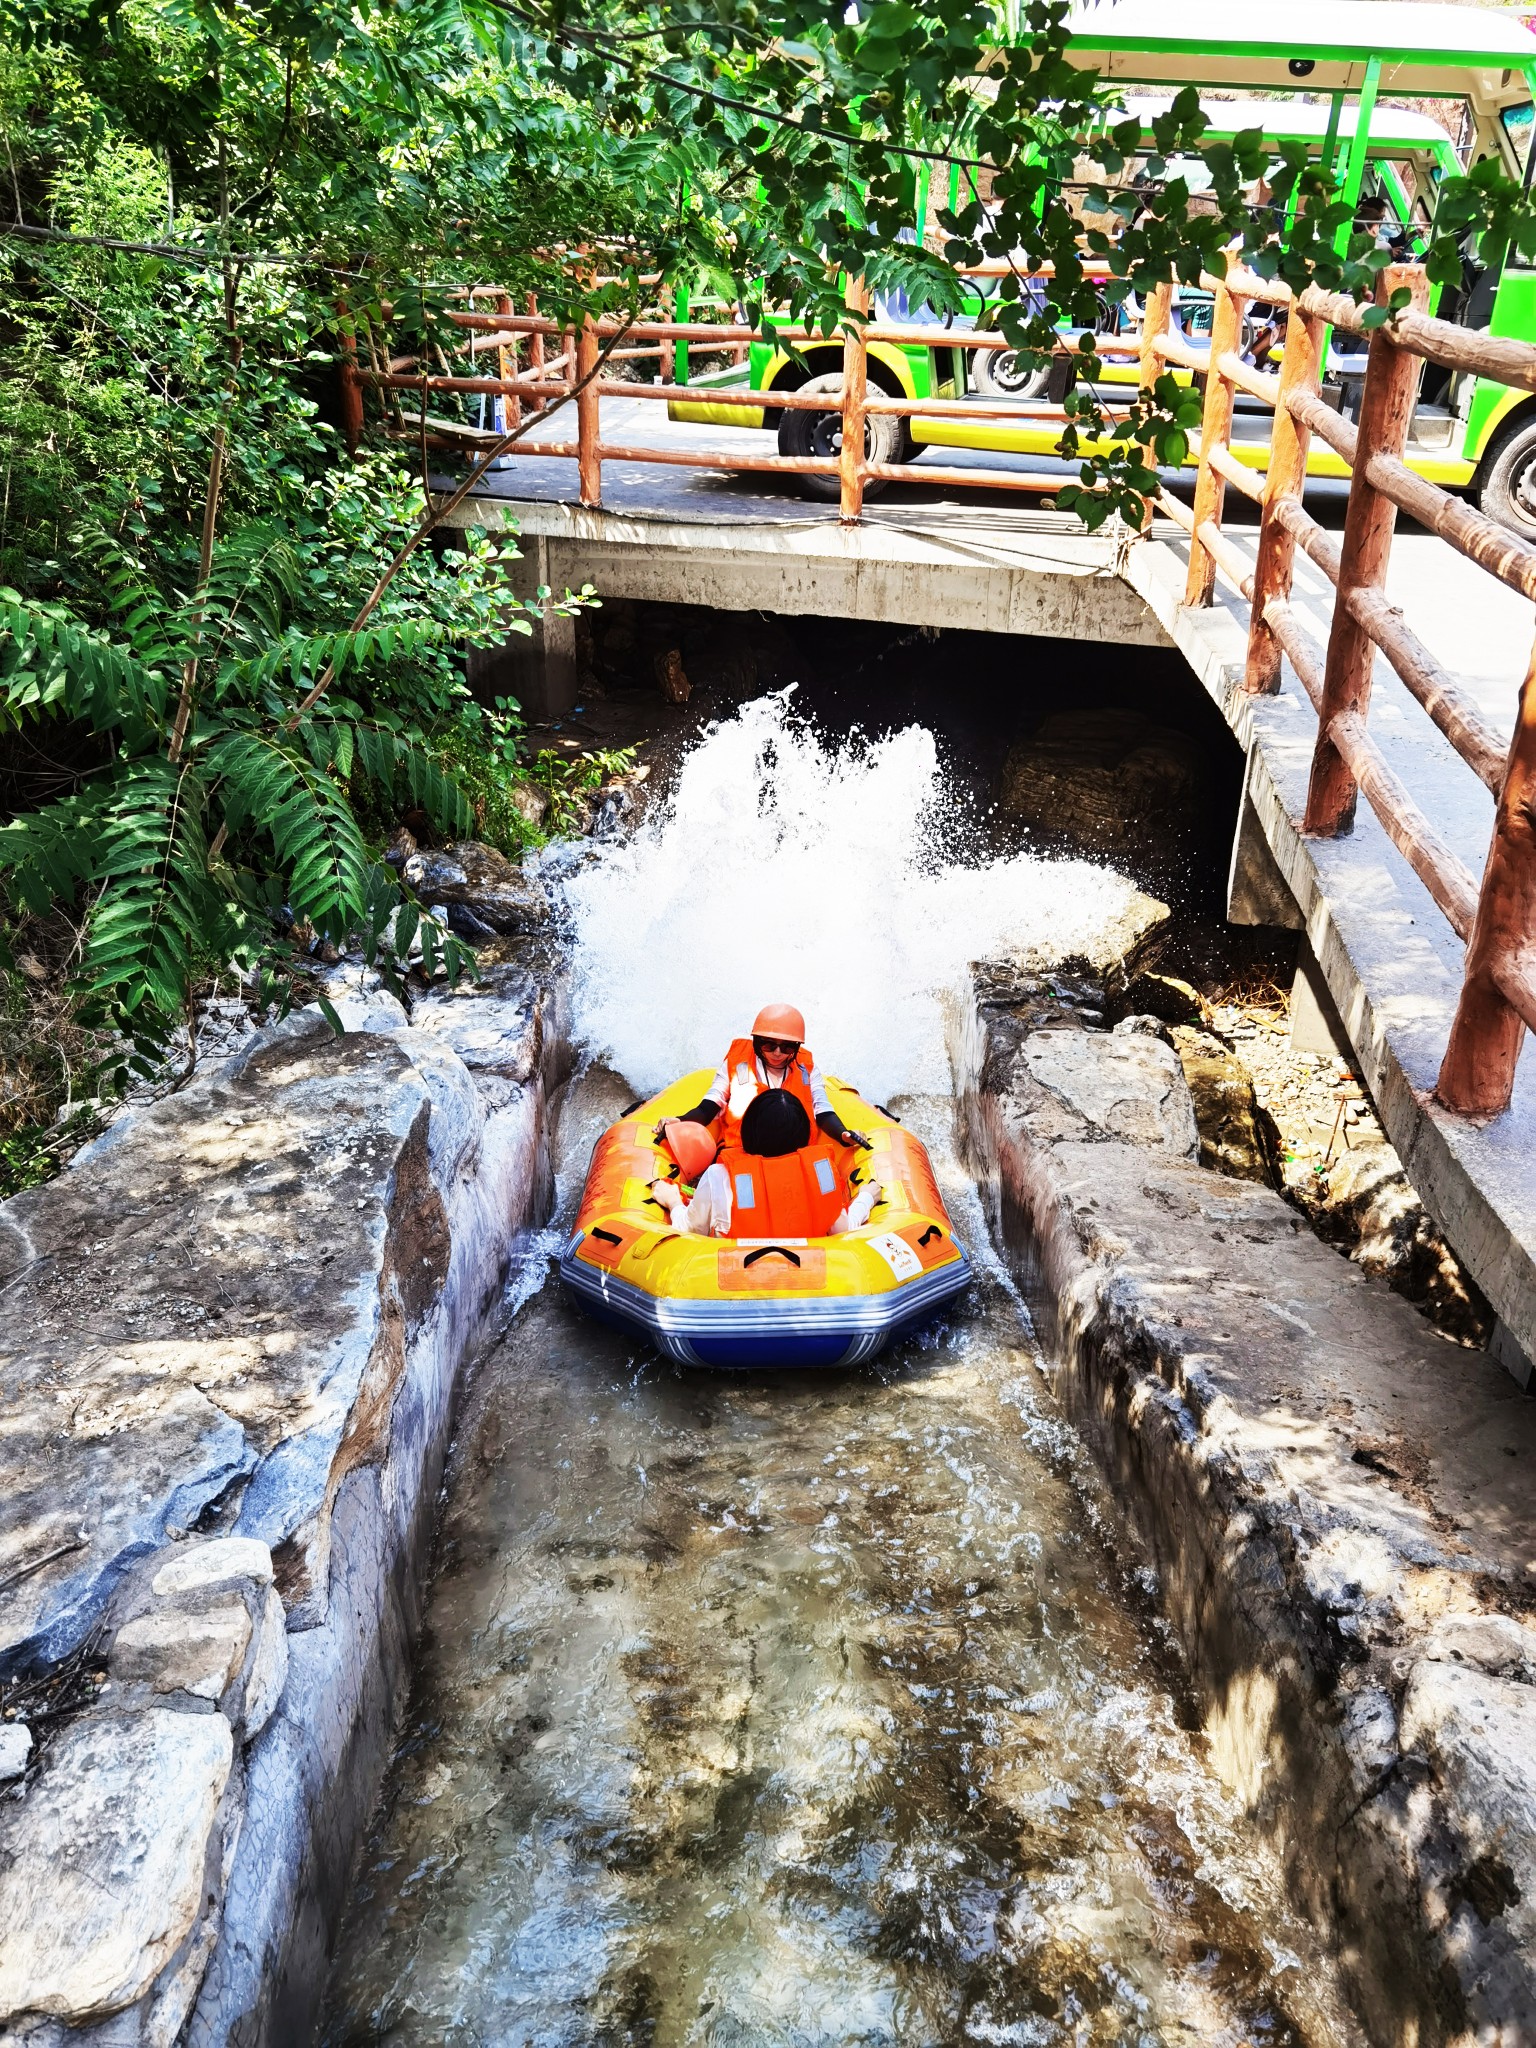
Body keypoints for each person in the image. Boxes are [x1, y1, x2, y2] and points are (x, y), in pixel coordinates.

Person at [652, 1090, 882, 1239]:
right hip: (810, 1279)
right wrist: (866, 1198)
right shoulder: (821, 1171)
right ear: (804, 1134)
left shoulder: (718, 1175)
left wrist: (673, 1201)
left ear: (749, 1131)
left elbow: (691, 1232)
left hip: (731, 1280)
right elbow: (843, 1231)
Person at [663, 1003, 872, 1150]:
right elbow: (709, 1106)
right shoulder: (736, 1063)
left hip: (793, 1152)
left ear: (797, 1047)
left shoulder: (807, 1068)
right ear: (756, 1041)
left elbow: (822, 1110)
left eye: (787, 1046)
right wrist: (680, 1121)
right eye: (769, 1045)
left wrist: (844, 1134)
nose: (778, 1053)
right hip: (742, 1151)